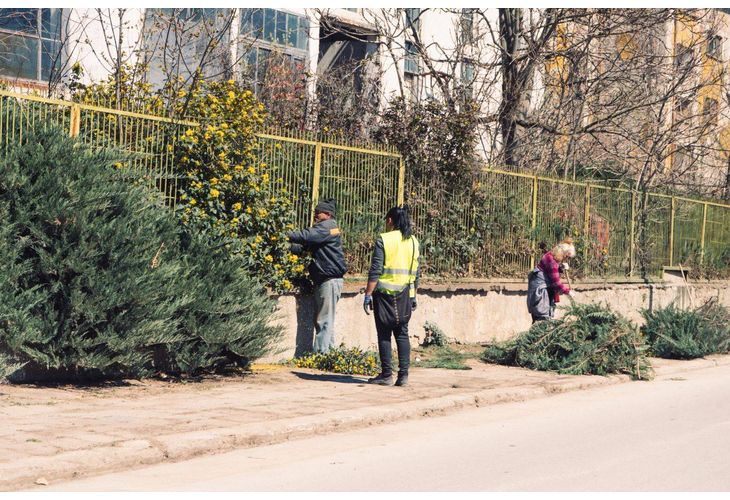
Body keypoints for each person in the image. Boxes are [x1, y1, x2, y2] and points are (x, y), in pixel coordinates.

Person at [363, 206, 420, 387]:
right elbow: (415, 272)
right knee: (402, 334)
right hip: (404, 294)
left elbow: (376, 270)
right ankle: (403, 376)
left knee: (384, 334)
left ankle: (386, 375)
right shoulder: (413, 241)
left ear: (390, 220)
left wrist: (367, 294)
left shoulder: (384, 239)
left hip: (384, 295)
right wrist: (413, 295)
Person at [287, 197, 348, 353]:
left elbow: (306, 236)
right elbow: (305, 247)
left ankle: (320, 355)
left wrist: (285, 234)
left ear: (327, 214)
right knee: (326, 319)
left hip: (329, 280)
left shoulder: (327, 227)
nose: (314, 215)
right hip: (326, 280)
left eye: (317, 212)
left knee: (324, 320)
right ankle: (330, 353)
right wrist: (287, 246)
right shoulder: (326, 230)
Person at [527, 238, 576, 323]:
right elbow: (556, 283)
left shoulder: (551, 255)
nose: (567, 260)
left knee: (543, 318)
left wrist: (561, 268)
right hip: (540, 291)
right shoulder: (552, 261)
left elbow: (549, 271)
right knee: (541, 319)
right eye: (567, 257)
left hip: (542, 289)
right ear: (563, 253)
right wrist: (568, 292)